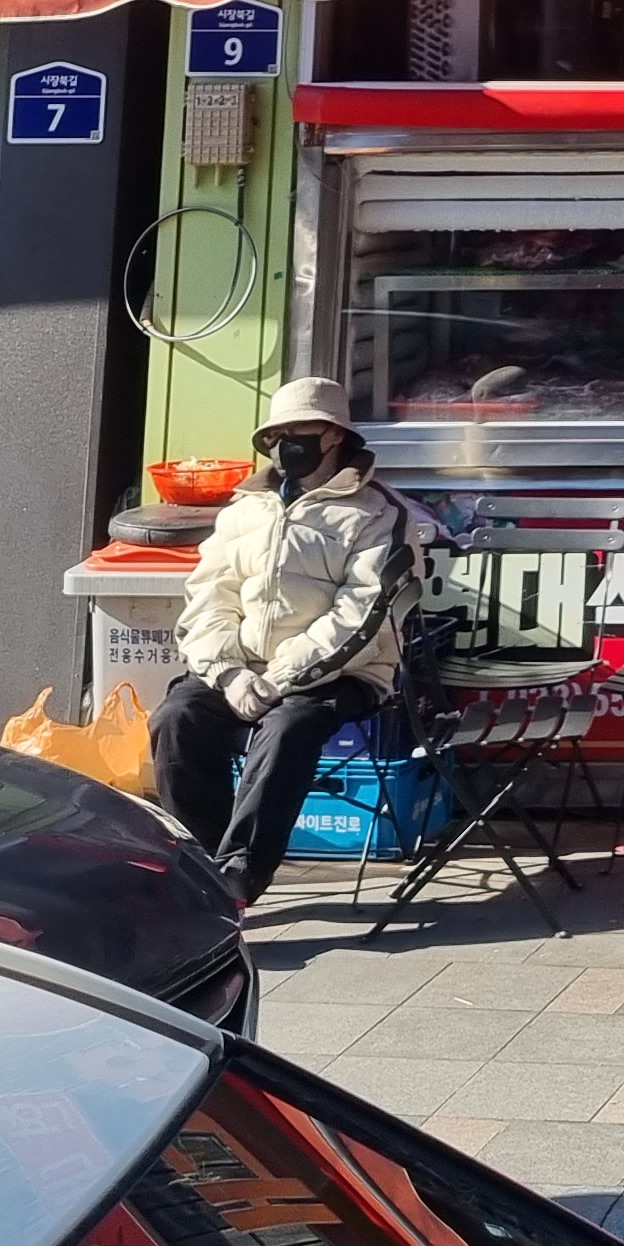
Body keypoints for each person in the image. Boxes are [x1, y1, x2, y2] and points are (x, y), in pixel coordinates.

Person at [154, 377, 416, 906]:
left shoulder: (379, 514)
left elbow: (362, 615)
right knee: (177, 717)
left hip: (341, 675)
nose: (284, 443)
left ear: (334, 435)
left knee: (287, 727)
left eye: (299, 431)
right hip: (242, 669)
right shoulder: (243, 509)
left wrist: (279, 680)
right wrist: (229, 673)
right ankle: (201, 869)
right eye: (275, 434)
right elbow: (208, 597)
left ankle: (239, 879)